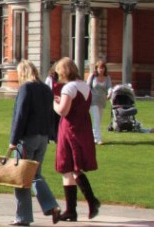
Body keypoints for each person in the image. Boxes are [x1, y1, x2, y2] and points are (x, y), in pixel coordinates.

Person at [8, 60, 61, 226]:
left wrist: (13, 140)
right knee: (35, 174)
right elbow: (52, 114)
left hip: (28, 137)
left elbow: (21, 115)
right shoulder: (45, 88)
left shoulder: (26, 88)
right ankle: (51, 206)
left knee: (21, 177)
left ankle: (22, 217)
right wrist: (51, 134)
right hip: (43, 137)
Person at [53, 57, 101, 222]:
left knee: (71, 166)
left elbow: (63, 111)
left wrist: (54, 103)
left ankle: (90, 200)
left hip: (70, 128)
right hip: (83, 127)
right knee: (71, 168)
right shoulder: (84, 86)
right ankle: (71, 210)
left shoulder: (69, 87)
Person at [87, 60, 111, 145]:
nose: (101, 70)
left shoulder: (107, 77)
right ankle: (98, 139)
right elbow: (88, 87)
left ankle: (93, 137)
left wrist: (109, 93)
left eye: (103, 68)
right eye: (100, 68)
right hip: (93, 101)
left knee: (98, 120)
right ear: (96, 68)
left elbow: (109, 87)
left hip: (102, 101)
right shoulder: (92, 76)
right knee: (96, 119)